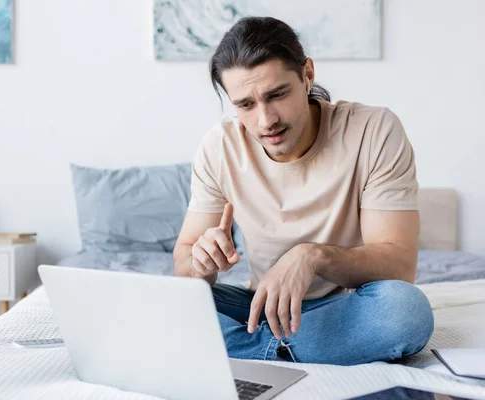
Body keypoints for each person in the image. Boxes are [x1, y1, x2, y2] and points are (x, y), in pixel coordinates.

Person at [173, 16, 434, 366]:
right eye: (245, 105)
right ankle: (290, 348)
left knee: (405, 311)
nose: (266, 120)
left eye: (277, 95)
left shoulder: (373, 131)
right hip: (258, 308)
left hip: (342, 308)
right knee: (148, 304)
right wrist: (201, 265)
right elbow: (184, 265)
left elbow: (399, 266)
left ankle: (241, 351)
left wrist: (312, 257)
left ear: (307, 75)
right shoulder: (219, 147)